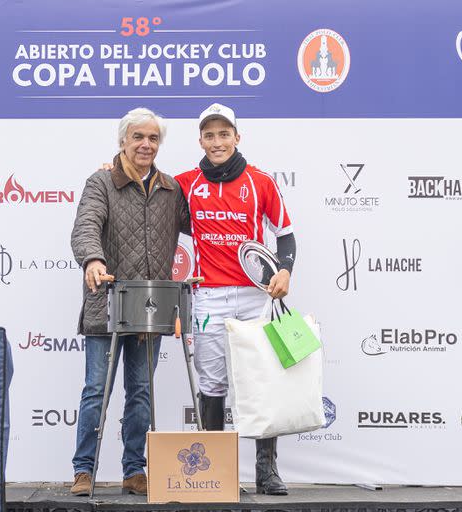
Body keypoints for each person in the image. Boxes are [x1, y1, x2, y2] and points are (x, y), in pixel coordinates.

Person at [175, 103, 296, 495]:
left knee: (262, 379)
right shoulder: (184, 184)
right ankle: (216, 472)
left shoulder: (261, 182)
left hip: (253, 295)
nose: (217, 142)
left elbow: (286, 236)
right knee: (212, 382)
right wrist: (112, 167)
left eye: (224, 134)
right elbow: (140, 190)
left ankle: (267, 471)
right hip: (208, 296)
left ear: (237, 137)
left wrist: (285, 270)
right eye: (209, 135)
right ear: (200, 140)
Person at [69, 108, 190, 496]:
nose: (146, 144)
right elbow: (85, 225)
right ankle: (83, 470)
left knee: (140, 392)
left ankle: (134, 470)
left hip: (150, 309)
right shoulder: (101, 181)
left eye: (153, 138)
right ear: (123, 141)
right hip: (105, 306)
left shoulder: (172, 189)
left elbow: (206, 219)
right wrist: (93, 258)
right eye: (138, 136)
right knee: (95, 390)